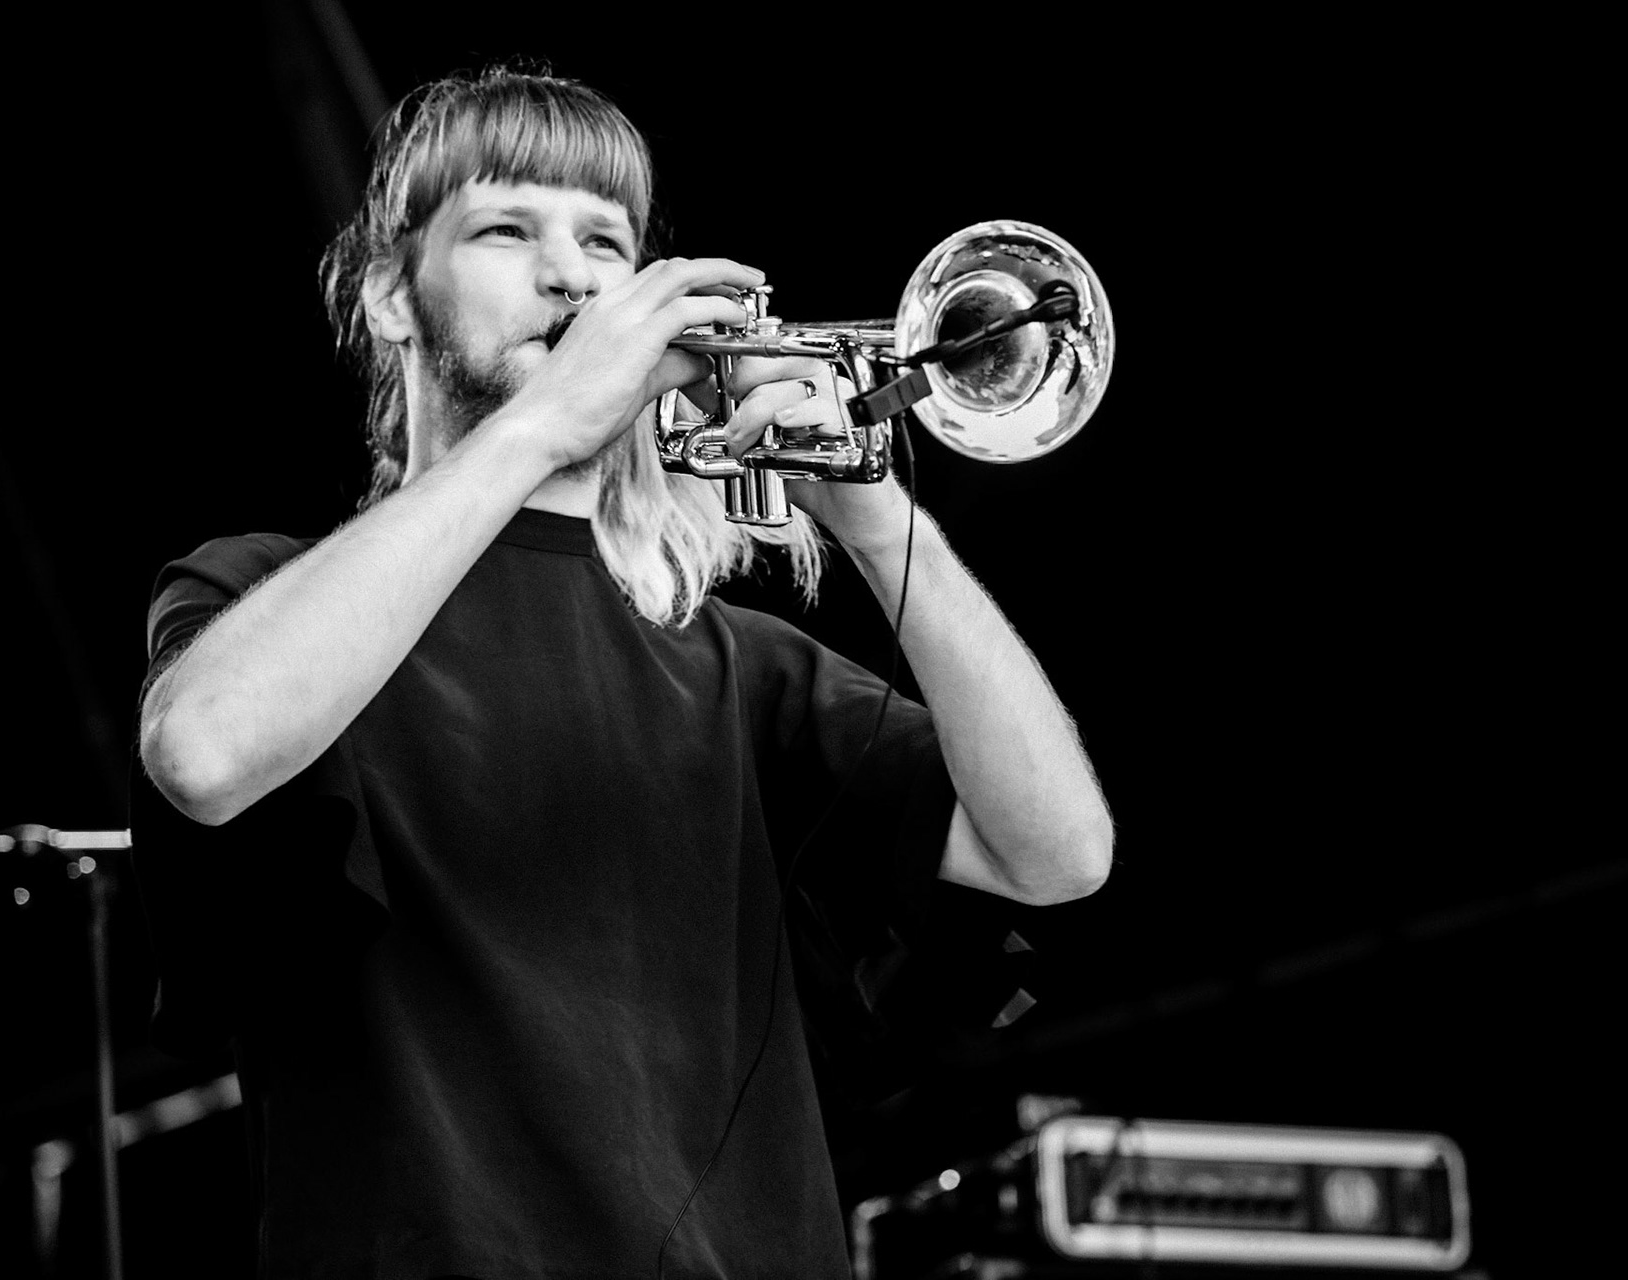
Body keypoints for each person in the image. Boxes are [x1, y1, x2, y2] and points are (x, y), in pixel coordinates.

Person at [132, 66, 1110, 1279]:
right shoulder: (259, 588)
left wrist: (869, 510)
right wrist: (543, 423)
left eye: (607, 241)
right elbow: (203, 752)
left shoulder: (739, 663)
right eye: (508, 229)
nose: (573, 276)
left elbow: (1058, 852)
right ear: (390, 294)